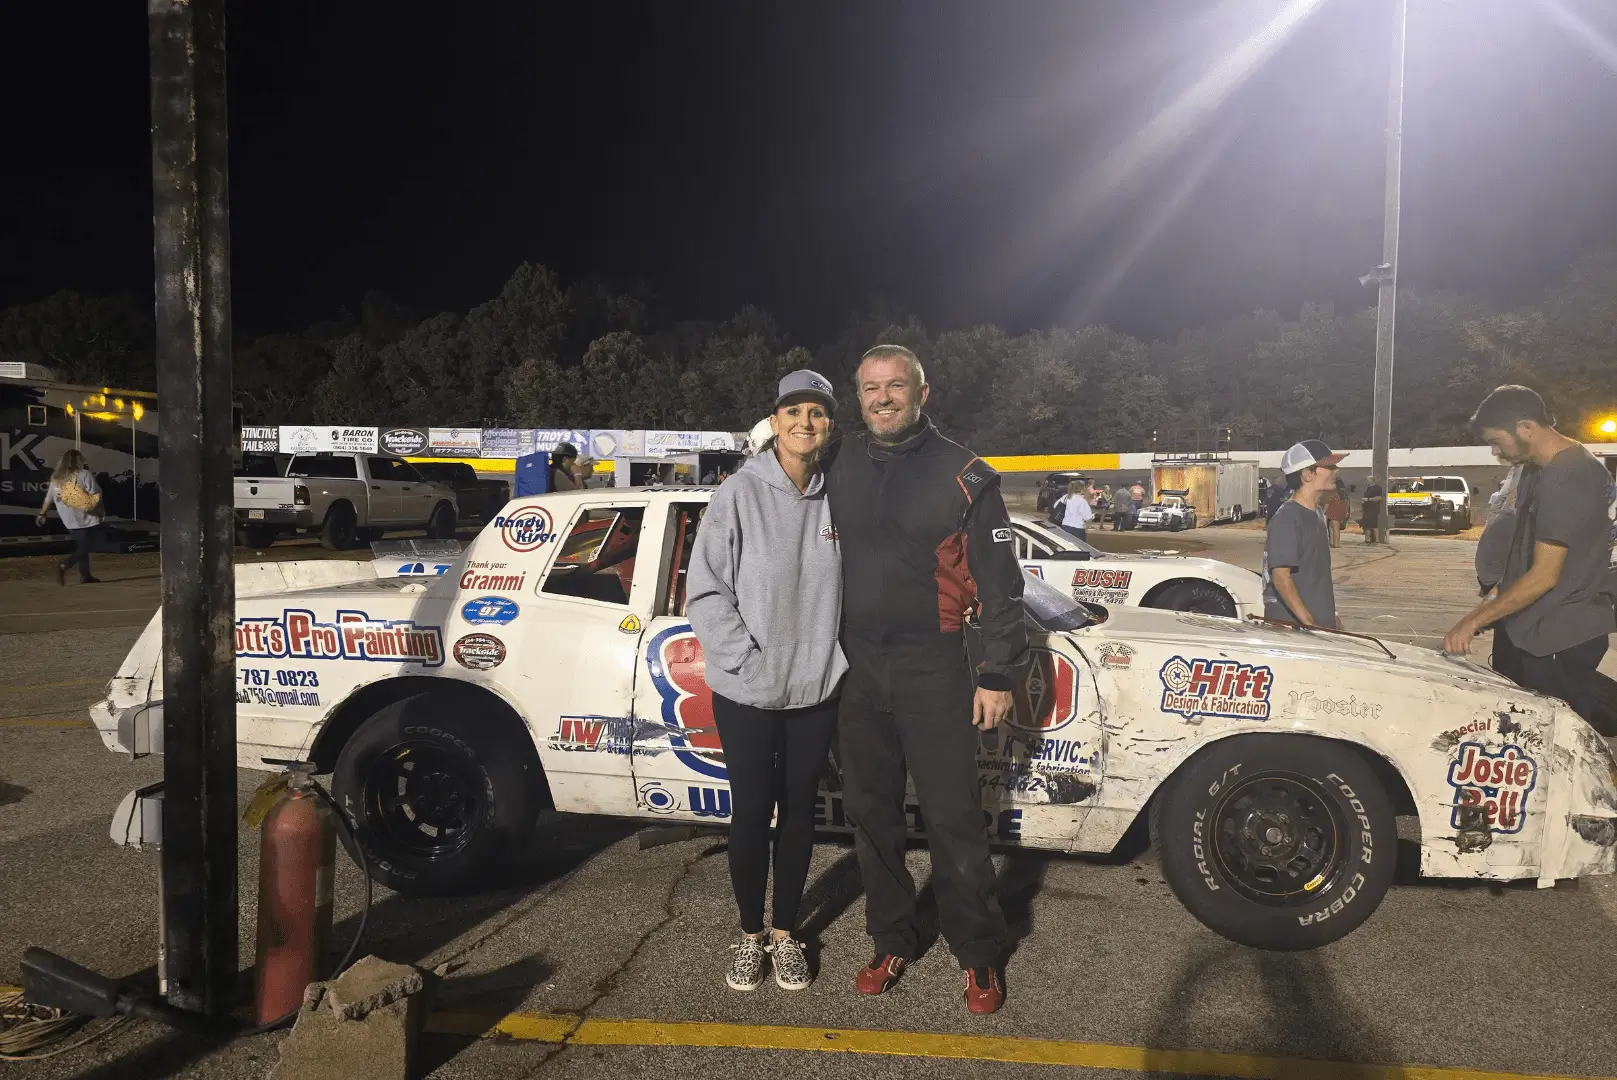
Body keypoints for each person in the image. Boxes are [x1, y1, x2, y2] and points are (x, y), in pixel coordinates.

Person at [824, 344, 1026, 1016]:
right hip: (856, 668)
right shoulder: (837, 460)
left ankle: (977, 954)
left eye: (894, 386)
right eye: (869, 387)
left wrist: (996, 671)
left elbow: (1000, 587)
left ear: (921, 391)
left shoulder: (965, 474)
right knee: (871, 816)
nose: (882, 398)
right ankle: (890, 938)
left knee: (953, 820)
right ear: (857, 396)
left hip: (935, 666)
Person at [686, 369, 846, 993]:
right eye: (794, 412)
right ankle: (750, 934)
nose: (806, 422)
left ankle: (785, 934)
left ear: (829, 426)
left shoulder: (840, 499)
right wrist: (747, 663)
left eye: (818, 413)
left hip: (814, 687)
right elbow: (705, 591)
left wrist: (836, 659)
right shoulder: (738, 494)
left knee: (801, 813)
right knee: (751, 812)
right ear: (775, 423)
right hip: (748, 689)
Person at [1443, 386, 1617, 726]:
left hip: (1555, 635)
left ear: (1526, 428)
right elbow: (1522, 552)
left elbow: (1544, 575)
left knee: (1551, 744)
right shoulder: (1541, 469)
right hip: (1533, 629)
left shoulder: (1569, 475)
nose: (1495, 452)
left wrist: (1473, 621)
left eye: (1497, 440)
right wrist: (1491, 605)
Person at [1263, 440, 1344, 628]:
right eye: (1329, 466)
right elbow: (1281, 577)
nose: (1336, 470)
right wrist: (1309, 622)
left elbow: (1316, 578)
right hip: (1297, 632)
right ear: (1308, 475)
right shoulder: (1287, 518)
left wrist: (1334, 620)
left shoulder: (1317, 514)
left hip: (1321, 628)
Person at [36, 449, 104, 586]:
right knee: (88, 546)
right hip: (87, 517)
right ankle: (65, 565)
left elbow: (48, 498)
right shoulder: (84, 474)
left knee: (83, 546)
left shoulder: (56, 478)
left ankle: (85, 575)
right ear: (79, 461)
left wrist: (42, 513)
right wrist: (100, 511)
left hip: (69, 520)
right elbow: (96, 494)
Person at [1324, 481, 1349, 548]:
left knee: (1334, 528)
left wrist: (1324, 511)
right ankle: (1332, 542)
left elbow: (1327, 503)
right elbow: (1347, 503)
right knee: (1332, 526)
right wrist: (1346, 512)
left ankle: (1336, 544)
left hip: (1333, 510)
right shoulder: (1343, 493)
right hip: (1340, 511)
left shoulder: (1332, 493)